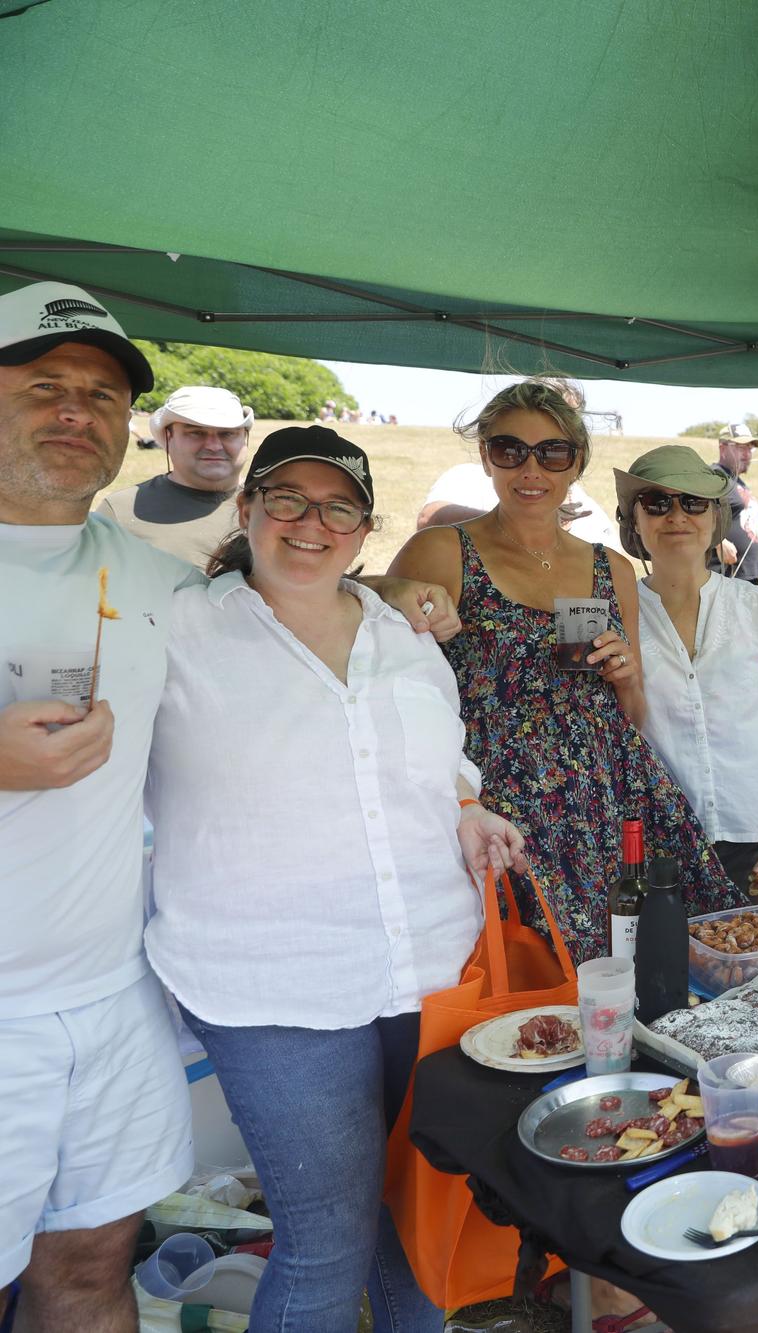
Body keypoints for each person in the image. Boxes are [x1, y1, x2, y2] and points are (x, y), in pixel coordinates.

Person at [0, 281, 455, 1332]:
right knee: (323, 1239)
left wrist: (393, 595)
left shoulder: (145, 582)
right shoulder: (198, 617)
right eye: (45, 386)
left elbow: (406, 735)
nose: (77, 413)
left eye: (101, 397)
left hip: (111, 994)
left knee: (86, 1269)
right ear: (244, 510)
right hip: (248, 986)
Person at [145, 427, 524, 1333]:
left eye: (339, 507)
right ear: (247, 511)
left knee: (419, 1223)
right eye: (287, 500)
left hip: (428, 968)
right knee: (325, 1243)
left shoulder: (401, 629)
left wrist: (468, 805)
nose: (312, 523)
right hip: (272, 988)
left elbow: (442, 756)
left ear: (363, 529)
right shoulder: (177, 628)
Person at [388, 378, 738, 955]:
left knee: (653, 962)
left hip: (606, 791)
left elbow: (634, 713)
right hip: (505, 800)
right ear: (485, 456)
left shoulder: (611, 567)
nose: (532, 470)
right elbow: (349, 603)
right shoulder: (445, 550)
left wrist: (625, 677)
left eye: (552, 453)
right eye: (510, 450)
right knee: (540, 974)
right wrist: (390, 585)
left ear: (576, 463)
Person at [617, 445, 758, 896]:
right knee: (656, 967)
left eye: (693, 501)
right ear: (634, 521)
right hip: (652, 845)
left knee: (749, 966)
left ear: (716, 516)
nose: (676, 515)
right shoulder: (615, 611)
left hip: (751, 837)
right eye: (657, 502)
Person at [94, 384, 254, 564]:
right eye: (196, 433)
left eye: (227, 433)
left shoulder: (274, 509)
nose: (214, 446)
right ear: (168, 436)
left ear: (244, 438)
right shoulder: (120, 511)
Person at [415, 459, 620, 547]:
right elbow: (430, 518)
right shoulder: (469, 476)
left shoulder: (593, 517)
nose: (531, 470)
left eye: (553, 449)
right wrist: (516, 522)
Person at [709, 423, 758, 583]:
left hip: (745, 576)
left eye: (750, 448)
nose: (747, 454)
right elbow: (695, 515)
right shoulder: (714, 477)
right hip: (727, 576)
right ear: (722, 448)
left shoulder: (736, 480)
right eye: (741, 447)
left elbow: (735, 519)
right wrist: (718, 542)